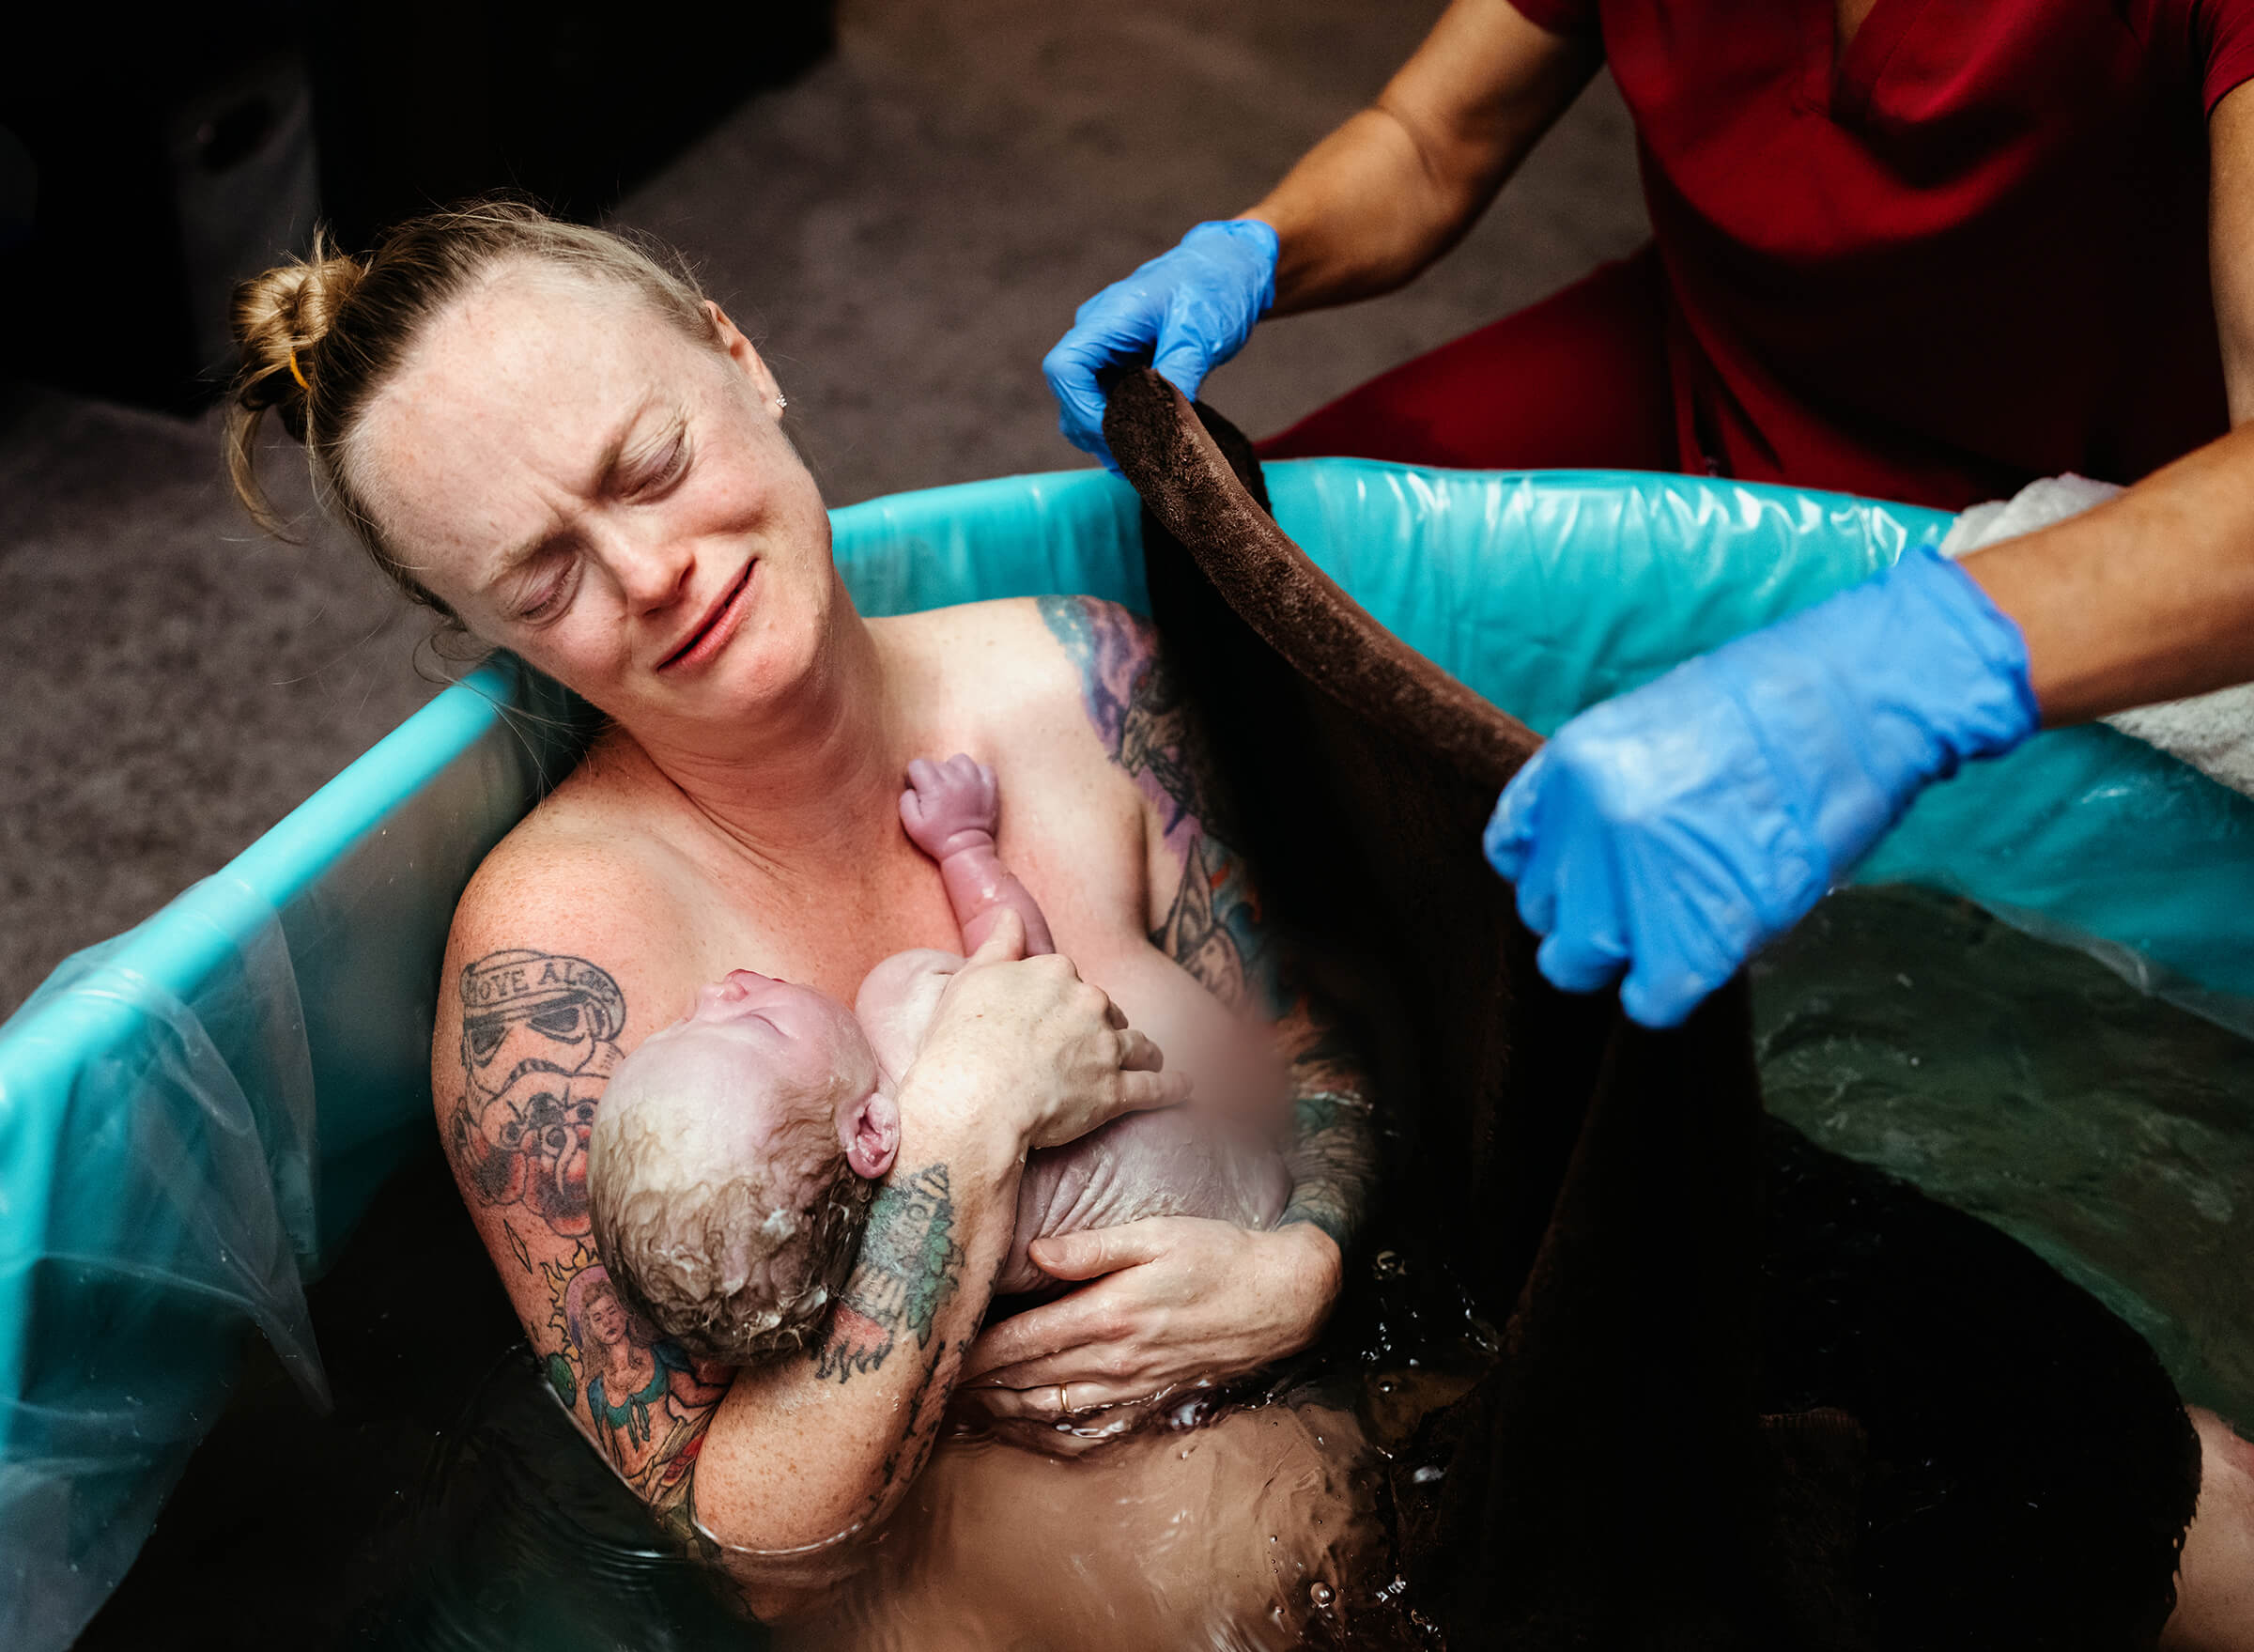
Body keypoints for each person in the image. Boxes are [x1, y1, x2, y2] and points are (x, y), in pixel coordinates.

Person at [224, 202, 1382, 1641]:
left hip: (1352, 1440)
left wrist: (1302, 1265)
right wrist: (958, 1139)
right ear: (493, 634)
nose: (653, 573)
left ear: (741, 357)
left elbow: (1312, 1062)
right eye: (546, 576)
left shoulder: (1085, 689)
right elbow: (737, 1528)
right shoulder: (561, 967)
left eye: (651, 467)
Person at [1044, 0, 2254, 1034]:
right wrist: (1254, 250)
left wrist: (1899, 671)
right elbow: (1426, 140)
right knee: (1234, 616)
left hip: (2050, 519)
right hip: (1711, 357)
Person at [585, 751, 1289, 1375]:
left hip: (1224, 1269)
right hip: (1264, 1212)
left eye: (683, 1020)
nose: (717, 990)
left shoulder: (915, 1279)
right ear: (867, 1133)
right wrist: (963, 845)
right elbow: (1031, 968)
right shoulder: (905, 1020)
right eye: (757, 1024)